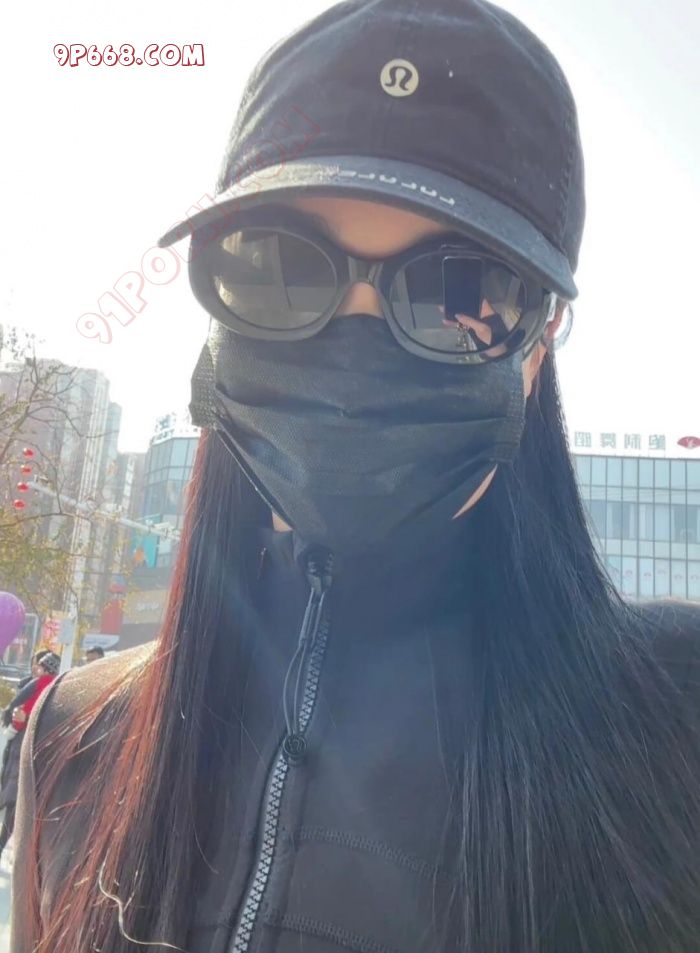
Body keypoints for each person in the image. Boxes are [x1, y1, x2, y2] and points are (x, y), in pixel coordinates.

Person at [11, 1, 700, 952]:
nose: (353, 342)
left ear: (538, 350)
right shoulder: (76, 737)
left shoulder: (678, 719)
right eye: (277, 268)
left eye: (460, 290)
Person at [0, 652, 59, 860]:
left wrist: (11, 718)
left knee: (12, 799)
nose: (36, 668)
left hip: (22, 744)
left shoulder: (39, 684)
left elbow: (13, 705)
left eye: (39, 665)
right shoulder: (56, 689)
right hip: (34, 749)